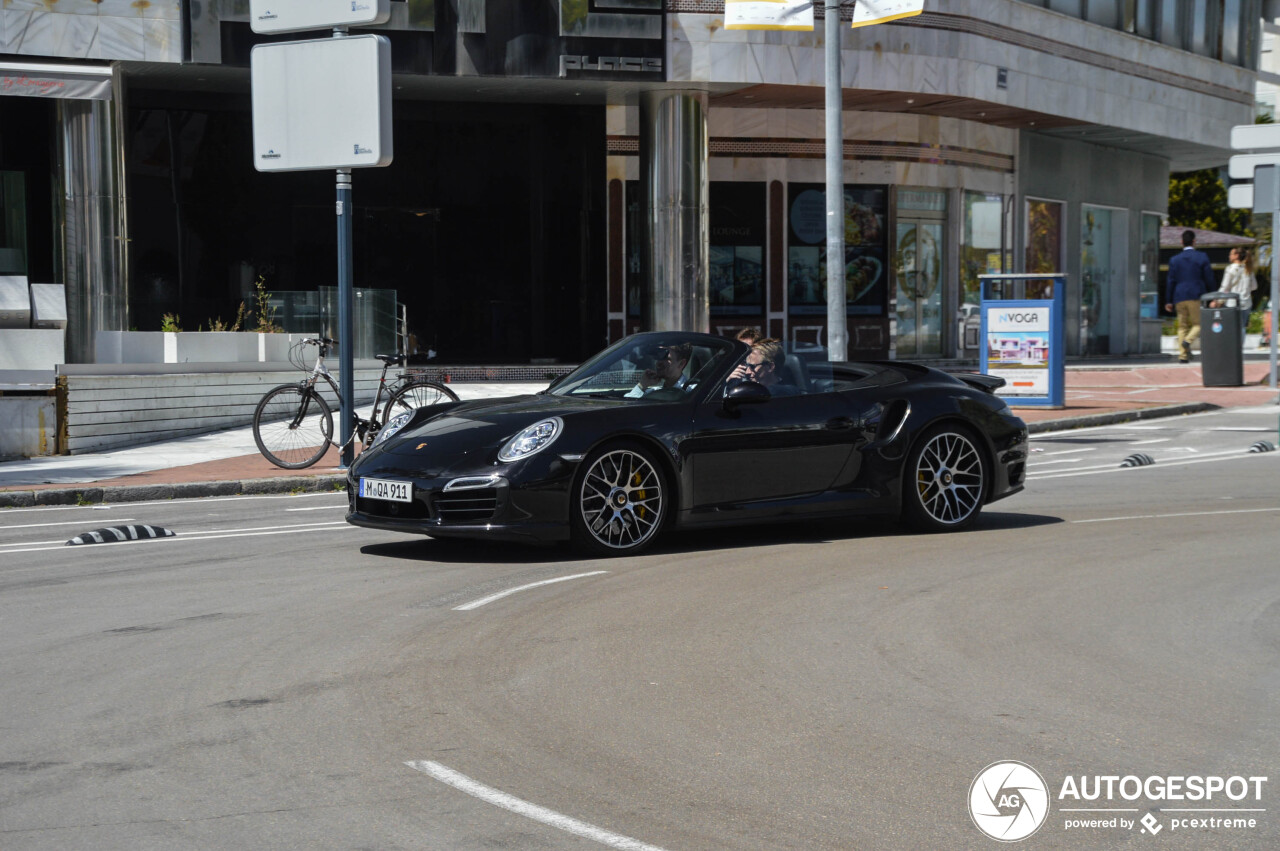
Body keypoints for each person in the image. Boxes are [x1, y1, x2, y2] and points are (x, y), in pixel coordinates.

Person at [1164, 229, 1215, 363]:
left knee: (1182, 326)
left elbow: (1170, 280)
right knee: (1199, 324)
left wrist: (1168, 300)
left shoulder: (1174, 260)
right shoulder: (1202, 257)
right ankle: (1188, 341)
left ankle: (1183, 356)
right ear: (1194, 241)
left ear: (1181, 242)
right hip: (1195, 294)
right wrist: (1213, 294)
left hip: (1179, 295)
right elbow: (1209, 277)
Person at [727, 338, 801, 396]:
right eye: (747, 366)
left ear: (770, 367)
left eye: (753, 367)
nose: (747, 372)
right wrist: (727, 381)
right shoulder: (746, 387)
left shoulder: (786, 392)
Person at [1215, 247, 1255, 340]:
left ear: (1236, 256)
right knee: (1242, 328)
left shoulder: (1230, 269)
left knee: (1231, 327)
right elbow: (1254, 286)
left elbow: (1225, 287)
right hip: (1246, 303)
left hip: (1232, 303)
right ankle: (1239, 350)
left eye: (1231, 254)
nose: (1229, 256)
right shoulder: (1248, 269)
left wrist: (1219, 300)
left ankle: (1232, 349)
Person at [625, 342, 691, 397]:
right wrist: (642, 385)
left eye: (665, 358)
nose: (659, 362)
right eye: (658, 357)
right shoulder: (653, 392)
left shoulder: (691, 392)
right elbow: (627, 406)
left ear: (681, 364)